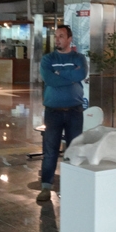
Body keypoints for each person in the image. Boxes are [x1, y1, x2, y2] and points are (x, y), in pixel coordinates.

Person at [37, 24, 87, 202]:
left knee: (74, 149)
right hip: (53, 112)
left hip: (75, 111)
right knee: (50, 151)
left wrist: (59, 73)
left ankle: (73, 184)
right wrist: (69, 75)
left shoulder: (79, 58)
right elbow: (49, 79)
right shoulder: (48, 59)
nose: (57, 39)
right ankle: (46, 187)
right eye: (56, 36)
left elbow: (81, 75)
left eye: (61, 36)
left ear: (69, 39)